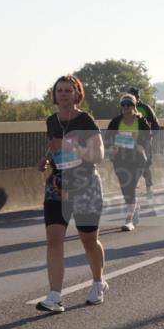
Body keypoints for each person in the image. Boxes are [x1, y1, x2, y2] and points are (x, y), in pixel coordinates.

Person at [35, 75, 107, 312]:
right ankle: (55, 296)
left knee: (88, 241)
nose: (64, 94)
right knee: (54, 241)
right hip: (57, 185)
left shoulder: (86, 120)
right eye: (60, 90)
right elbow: (55, 145)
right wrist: (46, 159)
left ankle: (98, 282)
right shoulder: (51, 120)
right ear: (54, 95)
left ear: (77, 94)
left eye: (68, 90)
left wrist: (71, 146)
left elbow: (98, 156)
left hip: (85, 185)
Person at [106, 94, 151, 231]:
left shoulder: (141, 121)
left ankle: (129, 220)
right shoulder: (116, 122)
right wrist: (111, 147)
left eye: (129, 105)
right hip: (120, 160)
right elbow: (108, 137)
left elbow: (149, 137)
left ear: (134, 106)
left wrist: (142, 145)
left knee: (130, 187)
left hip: (137, 160)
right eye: (123, 105)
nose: (126, 107)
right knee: (125, 189)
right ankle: (135, 207)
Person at [126, 86, 159, 199]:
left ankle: (149, 189)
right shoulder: (125, 108)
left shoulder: (145, 108)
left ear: (138, 97)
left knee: (144, 166)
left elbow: (156, 126)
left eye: (133, 96)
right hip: (130, 142)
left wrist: (149, 138)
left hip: (144, 142)